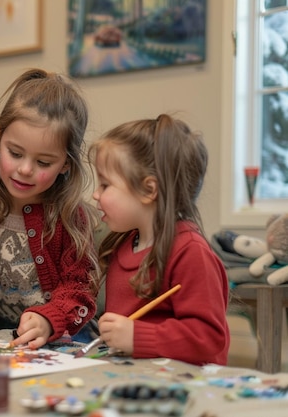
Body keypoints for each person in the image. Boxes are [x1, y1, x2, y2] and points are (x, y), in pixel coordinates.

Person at [0, 69, 99, 349]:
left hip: (61, 345)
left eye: (44, 163)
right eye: (16, 153)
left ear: (67, 164)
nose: (25, 169)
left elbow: (79, 288)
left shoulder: (70, 217)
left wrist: (50, 320)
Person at [90, 114, 230, 366]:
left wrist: (139, 337)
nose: (95, 194)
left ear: (149, 190)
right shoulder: (122, 244)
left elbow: (210, 341)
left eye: (105, 185)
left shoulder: (190, 253)